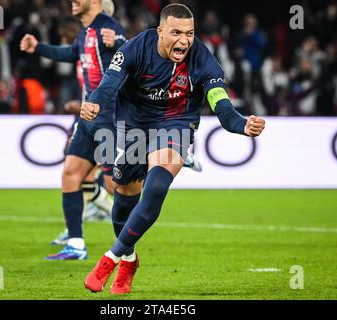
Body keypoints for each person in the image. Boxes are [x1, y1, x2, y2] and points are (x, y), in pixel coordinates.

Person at [80, 4, 266, 294]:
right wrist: (95, 102)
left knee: (155, 189)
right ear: (160, 32)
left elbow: (222, 106)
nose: (184, 40)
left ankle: (110, 259)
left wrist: (243, 125)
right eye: (176, 32)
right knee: (124, 193)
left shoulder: (203, 59)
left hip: (175, 124)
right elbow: (109, 84)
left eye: (190, 33)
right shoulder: (134, 49)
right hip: (132, 125)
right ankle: (129, 259)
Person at [20, 0, 126, 260]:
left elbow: (134, 62)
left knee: (117, 186)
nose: (73, 2)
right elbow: (70, 54)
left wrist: (121, 45)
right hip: (87, 118)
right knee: (70, 174)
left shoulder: (109, 29)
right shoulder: (85, 32)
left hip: (109, 117)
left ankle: (153, 157)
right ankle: (76, 245)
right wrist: (38, 48)